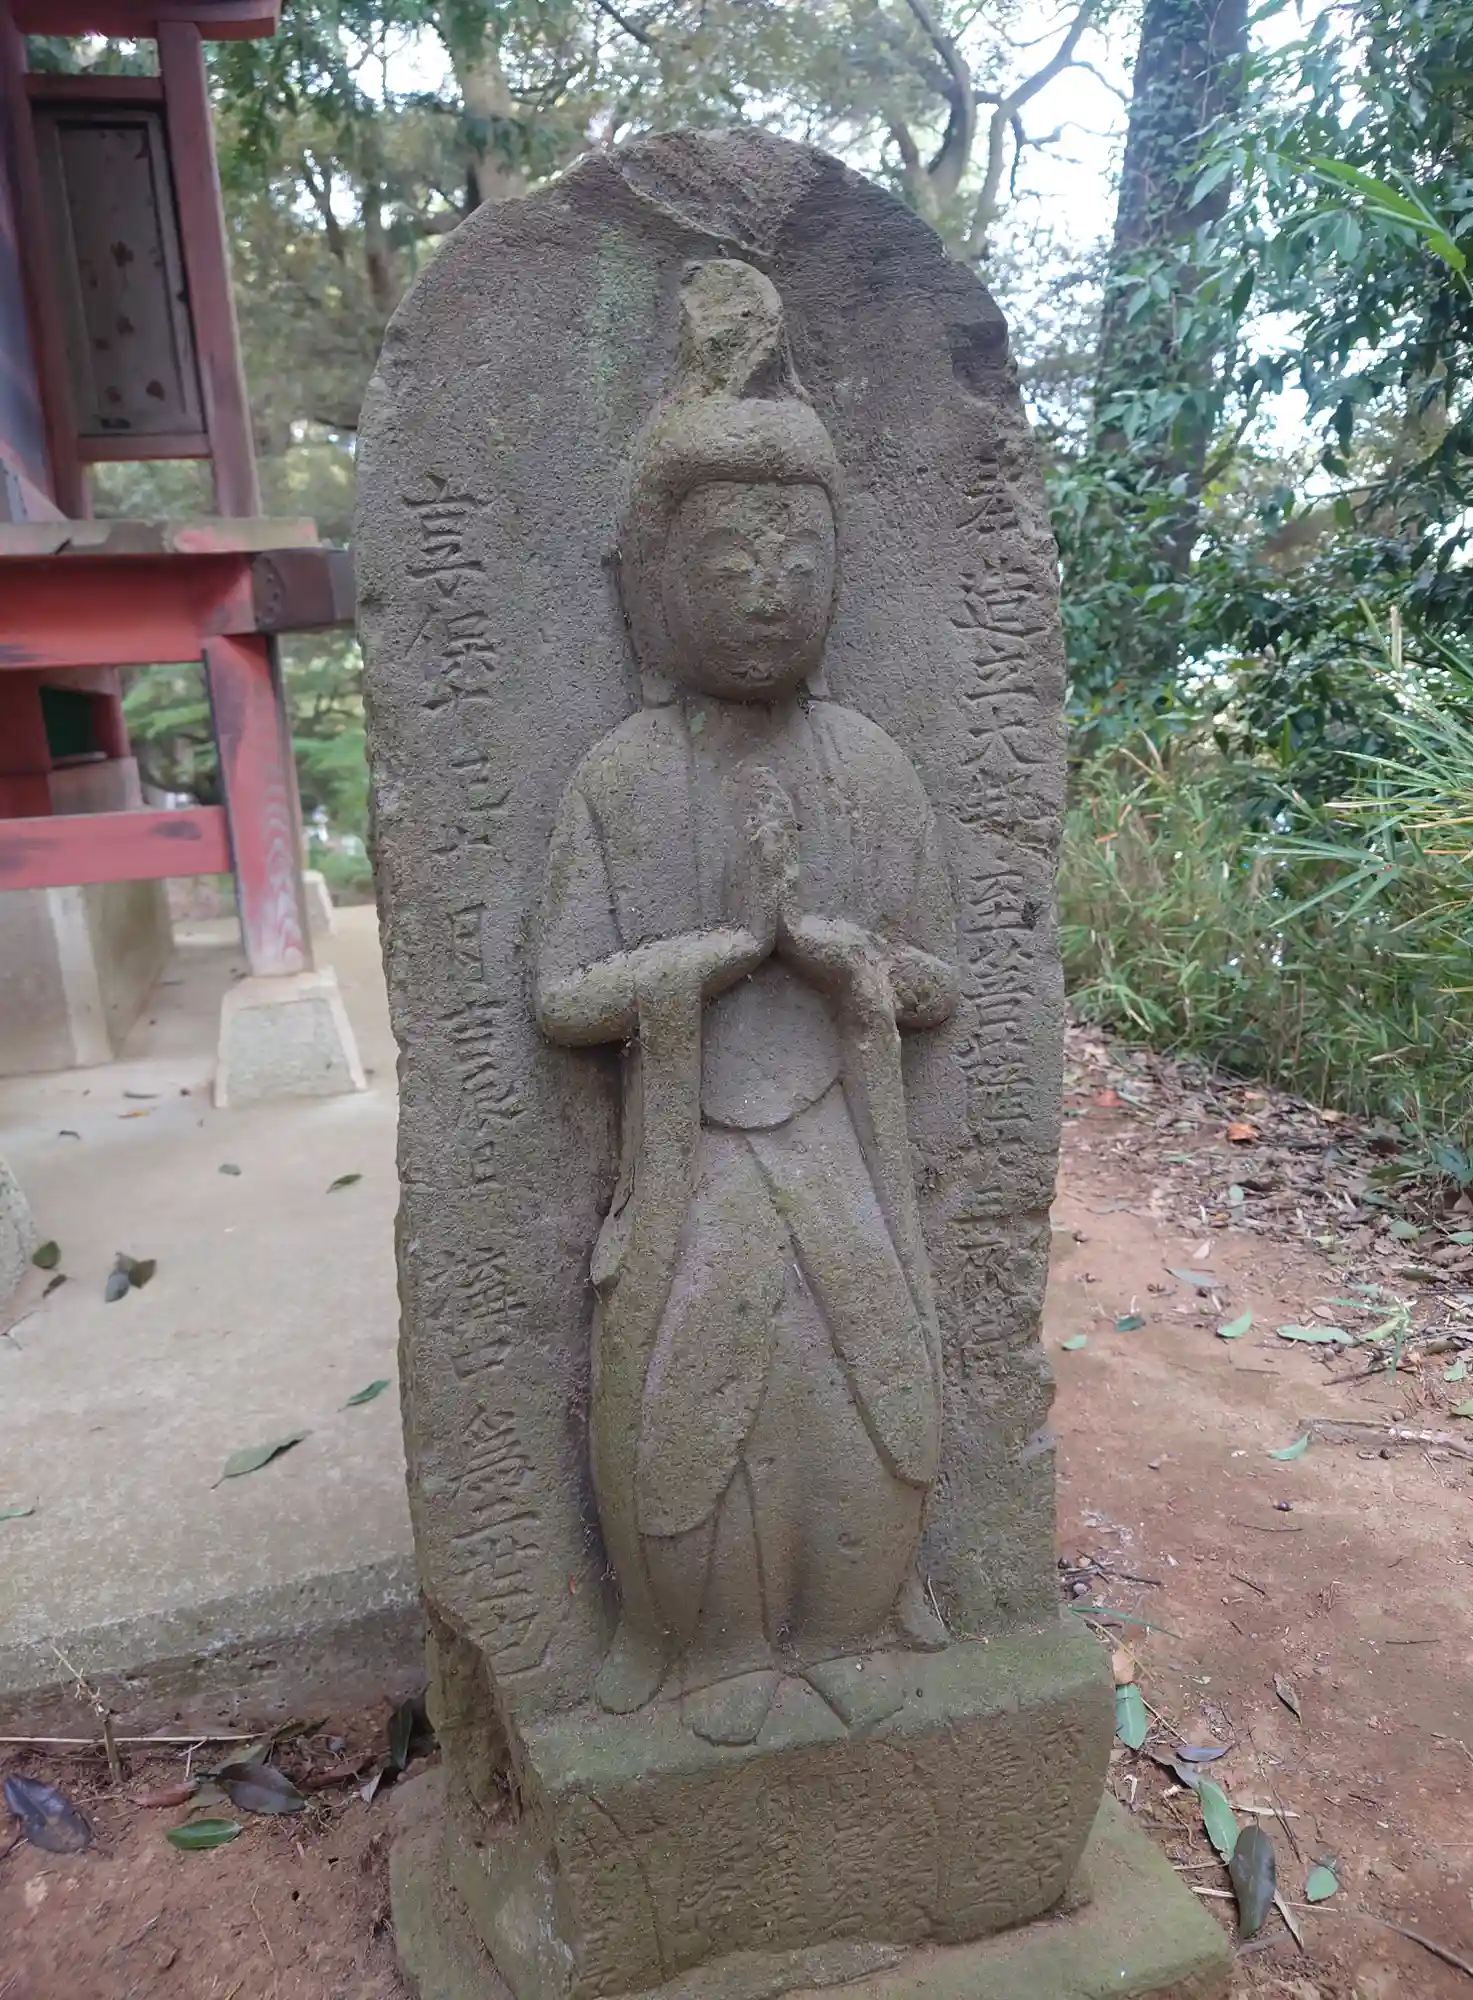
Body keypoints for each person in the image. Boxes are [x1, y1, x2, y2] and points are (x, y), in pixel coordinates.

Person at [535, 260, 959, 1746]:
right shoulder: (622, 779)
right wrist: (710, 955)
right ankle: (709, 1651)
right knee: (688, 1393)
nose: (770, 590)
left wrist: (846, 960)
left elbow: (937, 976)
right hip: (698, 1147)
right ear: (653, 586)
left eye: (799, 558)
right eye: (727, 560)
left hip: (835, 1133)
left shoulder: (871, 770)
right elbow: (563, 991)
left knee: (869, 1375)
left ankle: (853, 1620)